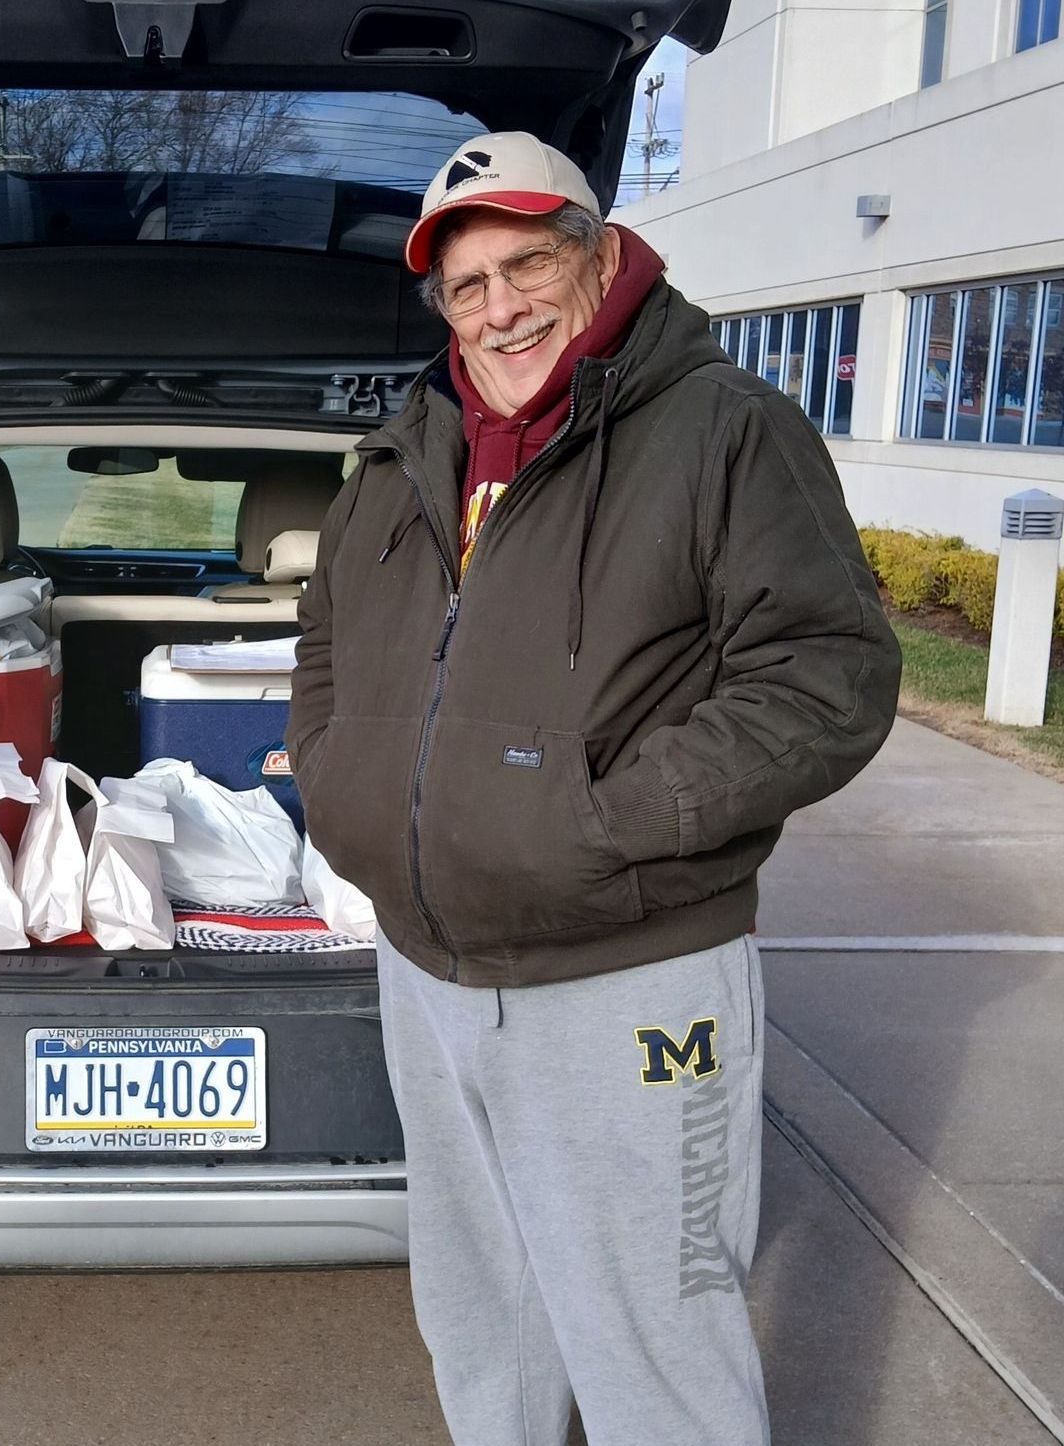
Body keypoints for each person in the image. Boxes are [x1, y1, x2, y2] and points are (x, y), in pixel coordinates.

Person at [289, 132, 900, 1444]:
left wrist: (615, 821)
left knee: (653, 1343)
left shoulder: (727, 433)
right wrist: (344, 789)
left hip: (630, 977)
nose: (499, 305)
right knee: (478, 1313)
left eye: (527, 264)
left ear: (603, 254)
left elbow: (830, 673)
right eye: (467, 283)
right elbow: (332, 639)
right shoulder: (412, 453)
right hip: (428, 974)